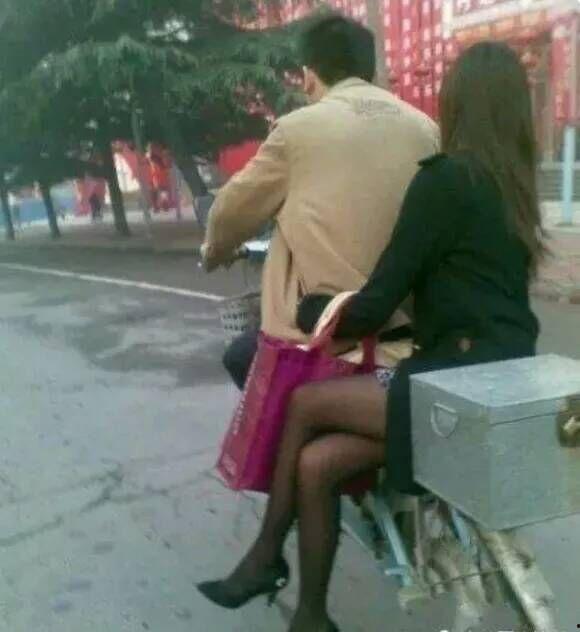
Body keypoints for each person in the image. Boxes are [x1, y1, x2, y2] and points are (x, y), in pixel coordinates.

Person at [197, 41, 545, 632]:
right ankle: (311, 615)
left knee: (304, 403)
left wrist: (316, 309)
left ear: (458, 103)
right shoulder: (513, 189)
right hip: (505, 369)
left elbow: (379, 299)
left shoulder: (444, 181)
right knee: (316, 464)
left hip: (448, 380)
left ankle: (265, 556)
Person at [202, 14, 439, 390]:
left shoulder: (296, 131)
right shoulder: (425, 128)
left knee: (240, 355)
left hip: (325, 335)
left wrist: (214, 252)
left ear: (309, 75)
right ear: (369, 70)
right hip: (412, 333)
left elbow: (228, 214)